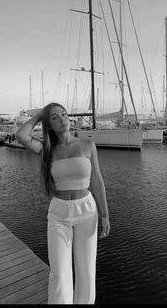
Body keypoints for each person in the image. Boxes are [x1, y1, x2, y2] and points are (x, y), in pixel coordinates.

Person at [16, 102, 110, 304]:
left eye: (64, 114)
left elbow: (97, 181)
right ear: (48, 125)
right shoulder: (47, 150)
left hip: (86, 210)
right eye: (54, 117)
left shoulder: (87, 145)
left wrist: (105, 214)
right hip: (58, 213)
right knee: (59, 273)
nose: (62, 119)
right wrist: (40, 115)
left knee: (86, 270)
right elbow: (21, 136)